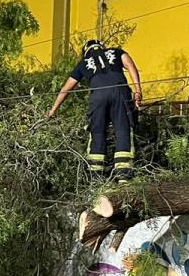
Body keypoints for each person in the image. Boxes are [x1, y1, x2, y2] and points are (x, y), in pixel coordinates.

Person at [48, 39, 143, 178]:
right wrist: (138, 90)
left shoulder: (83, 63)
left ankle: (95, 179)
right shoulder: (116, 51)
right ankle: (124, 177)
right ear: (102, 47)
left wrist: (53, 110)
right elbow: (130, 65)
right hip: (120, 93)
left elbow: (66, 89)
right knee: (123, 130)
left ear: (86, 51)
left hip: (97, 97)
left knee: (97, 133)